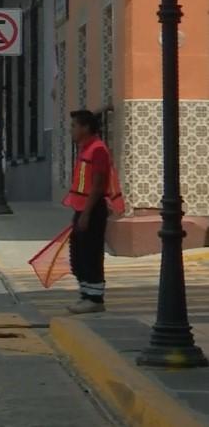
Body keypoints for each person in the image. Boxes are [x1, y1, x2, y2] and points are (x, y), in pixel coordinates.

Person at [63, 109, 124, 314]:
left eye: (74, 126)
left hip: (93, 208)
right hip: (82, 208)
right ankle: (85, 295)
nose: (71, 130)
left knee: (91, 254)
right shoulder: (85, 148)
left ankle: (95, 299)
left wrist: (87, 214)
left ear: (86, 128)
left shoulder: (97, 150)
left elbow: (98, 186)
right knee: (78, 255)